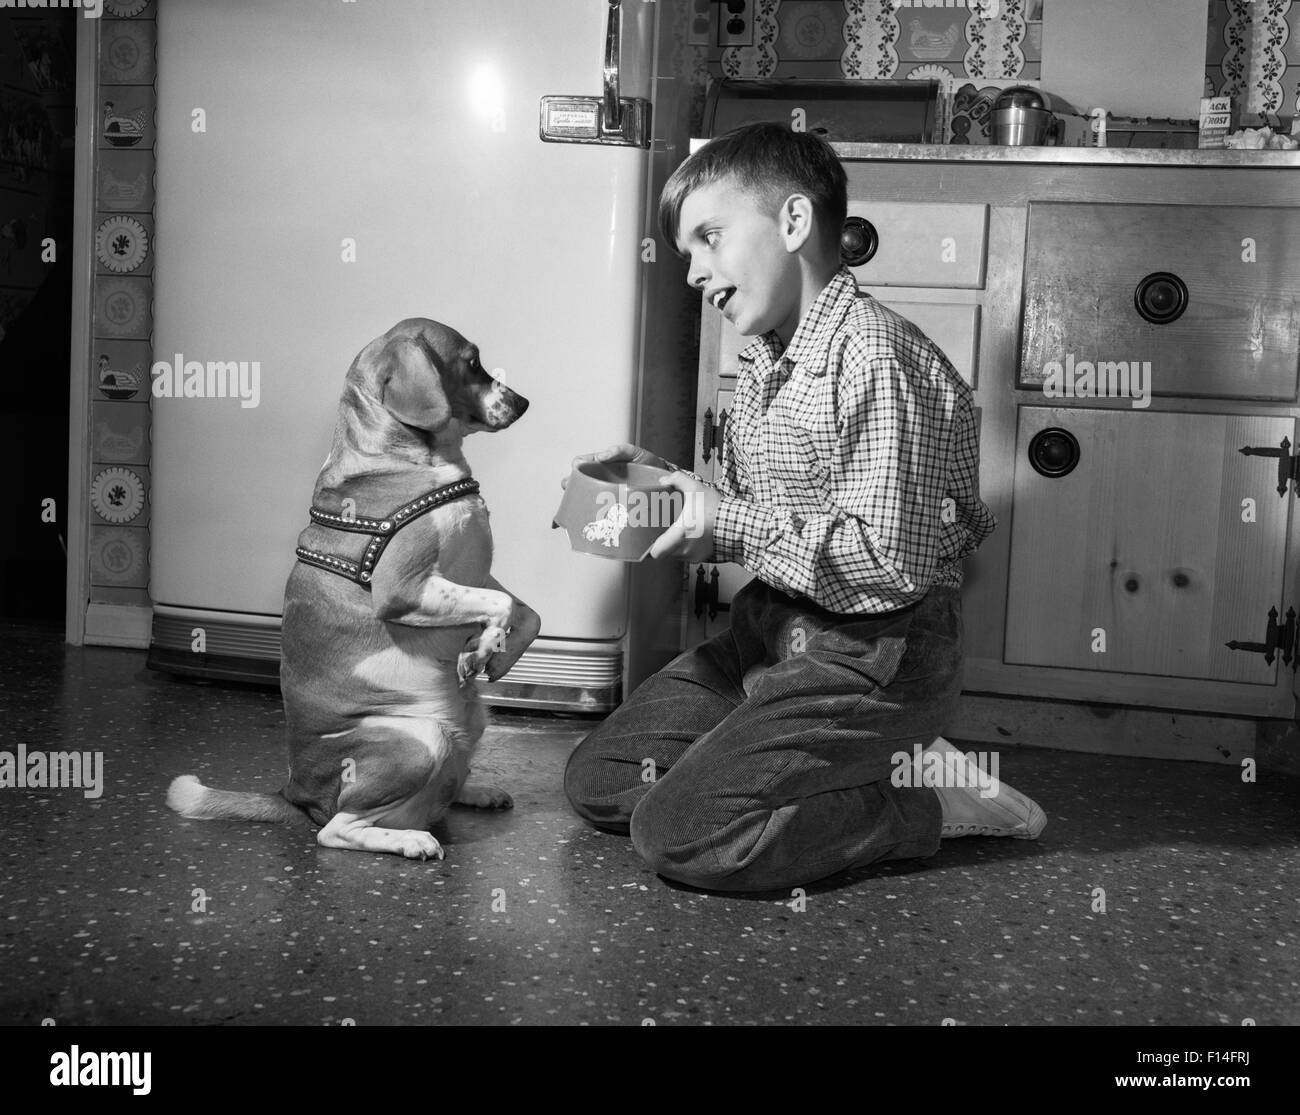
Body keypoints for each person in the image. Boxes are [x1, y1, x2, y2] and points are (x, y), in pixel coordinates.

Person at [562, 122, 1045, 893]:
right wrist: (670, 498)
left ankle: (913, 801)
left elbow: (888, 567)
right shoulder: (762, 363)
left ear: (792, 223)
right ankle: (789, 762)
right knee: (601, 779)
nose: (693, 271)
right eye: (685, 251)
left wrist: (727, 517)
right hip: (770, 637)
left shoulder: (876, 357)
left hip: (875, 654)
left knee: (676, 834)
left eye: (709, 238)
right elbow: (760, 519)